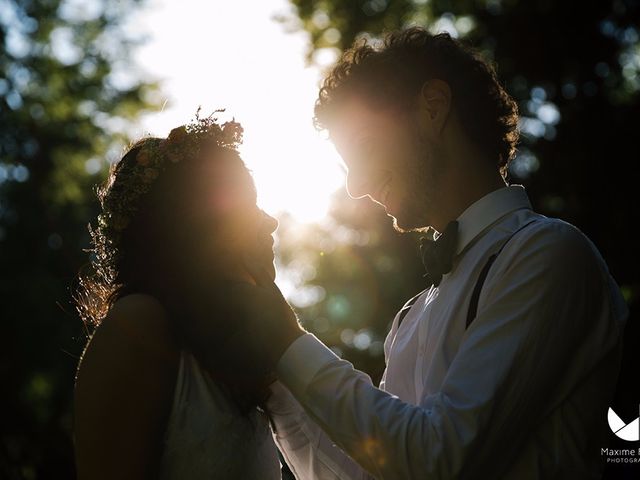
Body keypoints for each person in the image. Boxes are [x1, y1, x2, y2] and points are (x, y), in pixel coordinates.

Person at [229, 28, 629, 479]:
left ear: (433, 109)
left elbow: (439, 459)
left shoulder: (549, 254)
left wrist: (288, 339)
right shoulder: (412, 315)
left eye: (362, 147)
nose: (356, 186)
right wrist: (276, 377)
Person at [73, 112, 282, 479]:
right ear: (199, 226)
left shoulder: (235, 350)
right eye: (247, 204)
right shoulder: (138, 327)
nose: (271, 221)